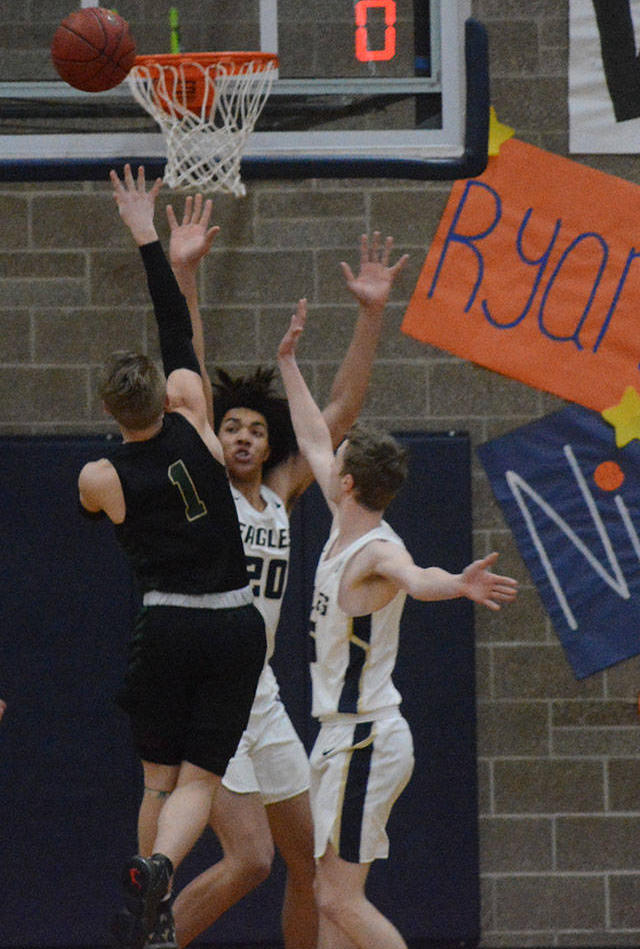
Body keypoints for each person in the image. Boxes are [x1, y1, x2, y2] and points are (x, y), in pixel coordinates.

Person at [162, 214, 408, 949]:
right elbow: (187, 380)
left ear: (270, 445)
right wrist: (184, 274)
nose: (240, 435)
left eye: (254, 430)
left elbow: (339, 414)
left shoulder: (282, 494)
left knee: (310, 867)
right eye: (230, 425)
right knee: (251, 861)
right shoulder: (203, 485)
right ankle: (152, 936)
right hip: (208, 687)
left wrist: (370, 317)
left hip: (261, 692)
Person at [276, 299, 519, 949]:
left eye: (340, 461)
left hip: (366, 739)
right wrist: (287, 363)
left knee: (336, 897)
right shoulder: (341, 509)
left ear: (348, 484)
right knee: (330, 901)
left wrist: (456, 585)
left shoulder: (377, 551)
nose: (329, 461)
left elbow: (417, 577)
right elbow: (311, 437)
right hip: (337, 739)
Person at [77, 165, 266, 949]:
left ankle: (147, 891)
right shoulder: (195, 416)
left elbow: (103, 489)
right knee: (202, 780)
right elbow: (176, 332)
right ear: (165, 395)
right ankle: (158, 875)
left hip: (168, 628)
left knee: (159, 778)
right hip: (234, 625)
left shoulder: (99, 477)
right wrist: (151, 237)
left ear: (111, 409)